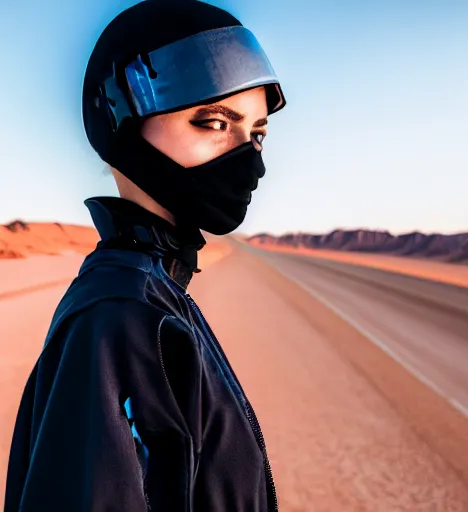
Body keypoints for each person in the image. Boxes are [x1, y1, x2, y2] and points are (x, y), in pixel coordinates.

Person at [3, 0, 286, 510]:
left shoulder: (152, 293)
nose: (251, 160)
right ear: (123, 121)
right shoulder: (125, 317)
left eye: (257, 133)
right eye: (215, 122)